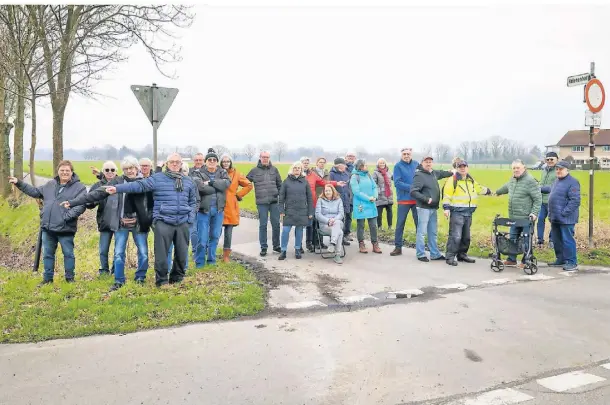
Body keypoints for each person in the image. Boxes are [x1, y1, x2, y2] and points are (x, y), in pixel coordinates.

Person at [104, 153, 198, 287]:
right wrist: (117, 188)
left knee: (182, 253)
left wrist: (190, 217)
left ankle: (177, 278)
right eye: (172, 162)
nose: (175, 164)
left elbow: (194, 201)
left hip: (182, 221)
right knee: (162, 255)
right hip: (163, 220)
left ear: (181, 163)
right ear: (167, 163)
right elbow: (138, 186)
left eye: (177, 162)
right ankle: (162, 281)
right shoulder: (157, 178)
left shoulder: (188, 181)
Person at [62, 157, 153, 291]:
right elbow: (96, 194)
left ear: (137, 168)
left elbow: (152, 204)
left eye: (131, 168)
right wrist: (73, 202)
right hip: (121, 223)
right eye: (126, 169)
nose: (129, 171)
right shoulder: (116, 182)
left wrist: (147, 218)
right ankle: (119, 280)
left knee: (143, 252)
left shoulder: (145, 183)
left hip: (139, 224)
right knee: (118, 253)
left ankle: (140, 277)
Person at [9, 160, 86, 285]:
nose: (65, 172)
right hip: (48, 228)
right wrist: (19, 183)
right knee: (48, 255)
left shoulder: (79, 188)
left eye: (67, 170)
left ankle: (70, 279)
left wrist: (66, 217)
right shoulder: (50, 184)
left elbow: (81, 205)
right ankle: (47, 279)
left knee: (68, 254)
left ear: (72, 172)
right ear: (58, 171)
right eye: (62, 170)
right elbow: (35, 192)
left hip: (66, 229)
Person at [442, 160, 491, 266]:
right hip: (457, 212)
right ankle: (450, 256)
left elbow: (479, 188)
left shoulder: (470, 179)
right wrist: (446, 208)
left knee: (466, 236)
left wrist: (489, 191)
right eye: (460, 167)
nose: (462, 168)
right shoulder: (452, 180)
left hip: (468, 212)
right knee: (456, 236)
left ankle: (462, 255)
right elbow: (447, 195)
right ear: (456, 168)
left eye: (464, 166)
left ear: (467, 167)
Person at [495, 159, 543, 267]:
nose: (516, 170)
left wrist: (534, 213)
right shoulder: (513, 179)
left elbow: (538, 199)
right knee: (513, 238)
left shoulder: (530, 181)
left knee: (526, 239)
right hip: (514, 216)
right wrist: (497, 192)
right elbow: (506, 187)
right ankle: (511, 259)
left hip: (526, 217)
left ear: (524, 168)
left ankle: (526, 260)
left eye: (518, 168)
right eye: (514, 168)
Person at [190, 148, 231, 267]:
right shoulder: (198, 173)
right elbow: (201, 187)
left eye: (214, 159)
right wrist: (218, 186)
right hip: (204, 211)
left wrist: (211, 183)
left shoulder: (223, 172)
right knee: (202, 239)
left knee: (214, 236)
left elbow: (226, 184)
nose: (212, 161)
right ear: (206, 161)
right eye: (209, 159)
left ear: (217, 161)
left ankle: (211, 260)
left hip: (218, 210)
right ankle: (199, 262)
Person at [410, 156, 453, 262]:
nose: (428, 164)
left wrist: (452, 172)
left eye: (430, 162)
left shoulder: (433, 173)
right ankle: (420, 254)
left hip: (433, 208)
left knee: (433, 232)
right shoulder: (419, 175)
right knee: (422, 232)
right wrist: (426, 199)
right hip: (424, 208)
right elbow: (413, 191)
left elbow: (442, 173)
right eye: (426, 162)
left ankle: (434, 254)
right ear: (422, 163)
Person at [300, 156, 342, 252]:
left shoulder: (312, 175)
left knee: (311, 224)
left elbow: (323, 182)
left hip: (312, 203)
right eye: (304, 162)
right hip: (301, 203)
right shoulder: (298, 174)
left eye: (307, 163)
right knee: (300, 225)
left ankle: (309, 243)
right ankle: (298, 246)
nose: (305, 164)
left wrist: (336, 183)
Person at [246, 150, 283, 257]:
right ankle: (263, 247)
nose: (265, 159)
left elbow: (280, 185)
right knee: (263, 225)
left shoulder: (274, 170)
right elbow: (245, 182)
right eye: (263, 157)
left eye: (267, 157)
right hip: (261, 202)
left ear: (269, 158)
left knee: (276, 224)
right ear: (260, 158)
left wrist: (282, 199)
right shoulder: (254, 170)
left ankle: (276, 246)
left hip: (274, 201)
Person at [546, 160, 581, 271]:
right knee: (557, 240)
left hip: (566, 219)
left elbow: (575, 201)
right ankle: (560, 259)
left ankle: (571, 262)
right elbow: (551, 191)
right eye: (557, 169)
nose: (558, 171)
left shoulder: (573, 182)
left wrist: (563, 213)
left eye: (561, 169)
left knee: (567, 240)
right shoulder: (557, 181)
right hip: (555, 218)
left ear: (567, 170)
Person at [220, 153, 253, 262]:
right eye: (223, 161)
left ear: (230, 162)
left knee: (228, 233)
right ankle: (211, 253)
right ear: (220, 162)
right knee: (215, 232)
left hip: (230, 206)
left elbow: (249, 185)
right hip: (217, 204)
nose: (225, 163)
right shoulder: (216, 172)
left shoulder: (236, 173)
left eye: (227, 161)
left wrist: (238, 195)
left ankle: (226, 256)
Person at [278, 161, 313, 260]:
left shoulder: (305, 182)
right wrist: (281, 210)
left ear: (301, 170)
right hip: (289, 210)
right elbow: (281, 198)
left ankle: (297, 249)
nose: (297, 170)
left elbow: (309, 198)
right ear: (292, 169)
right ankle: (283, 250)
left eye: (299, 168)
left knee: (299, 230)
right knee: (285, 231)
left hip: (302, 210)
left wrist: (310, 212)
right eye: (295, 168)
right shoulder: (286, 181)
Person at [89, 161, 118, 276]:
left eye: (112, 170)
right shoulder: (97, 186)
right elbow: (89, 203)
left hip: (119, 223)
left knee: (118, 250)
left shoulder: (121, 183)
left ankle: (116, 270)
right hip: (104, 222)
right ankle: (104, 271)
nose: (110, 172)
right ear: (103, 171)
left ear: (116, 172)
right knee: (103, 249)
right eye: (107, 170)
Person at [390, 147, 419, 256]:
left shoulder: (416, 164)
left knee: (419, 225)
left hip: (416, 200)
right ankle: (398, 247)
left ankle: (420, 249)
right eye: (404, 154)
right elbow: (397, 183)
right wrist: (413, 188)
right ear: (401, 155)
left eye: (408, 154)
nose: (406, 156)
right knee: (400, 224)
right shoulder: (398, 166)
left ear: (411, 154)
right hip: (404, 200)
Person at [350, 159, 382, 254]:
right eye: (364, 165)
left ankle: (375, 244)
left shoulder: (368, 175)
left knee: (373, 225)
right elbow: (356, 192)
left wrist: (375, 196)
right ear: (359, 166)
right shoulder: (354, 177)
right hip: (361, 204)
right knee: (361, 225)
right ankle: (361, 244)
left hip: (371, 203)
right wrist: (369, 198)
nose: (366, 166)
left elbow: (374, 186)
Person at [315, 184, 345, 264]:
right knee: (340, 232)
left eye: (329, 190)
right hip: (325, 225)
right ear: (324, 192)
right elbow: (317, 214)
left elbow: (341, 214)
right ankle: (337, 255)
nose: (327, 192)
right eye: (326, 191)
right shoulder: (320, 200)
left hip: (337, 222)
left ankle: (332, 243)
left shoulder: (339, 200)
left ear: (333, 191)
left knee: (337, 223)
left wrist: (334, 220)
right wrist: (328, 221)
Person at [329, 157, 353, 246]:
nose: (346, 167)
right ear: (339, 166)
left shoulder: (346, 173)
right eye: (344, 165)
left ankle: (342, 237)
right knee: (338, 220)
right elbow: (329, 186)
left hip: (346, 198)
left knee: (345, 219)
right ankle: (336, 238)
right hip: (337, 200)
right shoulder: (332, 174)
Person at [538, 152, 558, 248]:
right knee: (540, 220)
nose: (549, 161)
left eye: (552, 159)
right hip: (542, 200)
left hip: (553, 201)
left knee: (553, 221)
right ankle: (540, 240)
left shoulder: (558, 171)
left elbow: (555, 186)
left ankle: (552, 240)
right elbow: (541, 183)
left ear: (557, 160)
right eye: (548, 159)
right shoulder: (544, 170)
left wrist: (540, 188)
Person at [372, 158, 394, 230]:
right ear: (378, 164)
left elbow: (394, 179)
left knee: (390, 211)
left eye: (383, 163)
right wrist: (378, 191)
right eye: (380, 163)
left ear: (385, 164)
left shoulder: (389, 172)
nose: (382, 164)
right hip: (380, 194)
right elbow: (374, 184)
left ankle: (390, 226)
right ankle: (379, 227)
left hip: (389, 195)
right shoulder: (375, 173)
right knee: (379, 212)